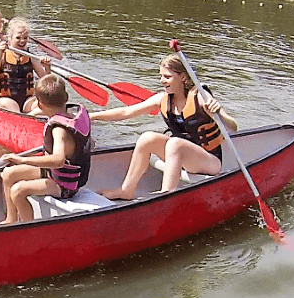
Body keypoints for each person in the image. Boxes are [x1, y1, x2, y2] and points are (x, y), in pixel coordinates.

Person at [89, 53, 238, 200]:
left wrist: (219, 113)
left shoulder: (201, 97)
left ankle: (166, 195)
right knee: (147, 138)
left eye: (167, 77)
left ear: (183, 77)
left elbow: (233, 127)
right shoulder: (163, 99)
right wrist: (91, 116)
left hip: (209, 161)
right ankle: (126, 191)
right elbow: (126, 112)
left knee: (175, 143)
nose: (162, 80)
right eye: (161, 76)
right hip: (179, 155)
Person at [0, 75, 93, 224]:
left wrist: (22, 159)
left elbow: (58, 160)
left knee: (17, 191)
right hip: (54, 174)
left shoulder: (59, 130)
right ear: (66, 97)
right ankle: (11, 219)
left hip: (64, 185)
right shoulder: (75, 115)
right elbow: (91, 143)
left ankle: (29, 228)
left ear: (40, 105)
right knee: (8, 174)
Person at [0, 18, 52, 113]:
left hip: (27, 100)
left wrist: (47, 68)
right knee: (11, 107)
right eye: (18, 38)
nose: (22, 41)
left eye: (25, 38)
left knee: (47, 106)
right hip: (7, 99)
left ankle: (31, 116)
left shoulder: (31, 56)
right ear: (10, 38)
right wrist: (0, 52)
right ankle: (28, 117)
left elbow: (48, 83)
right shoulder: (1, 53)